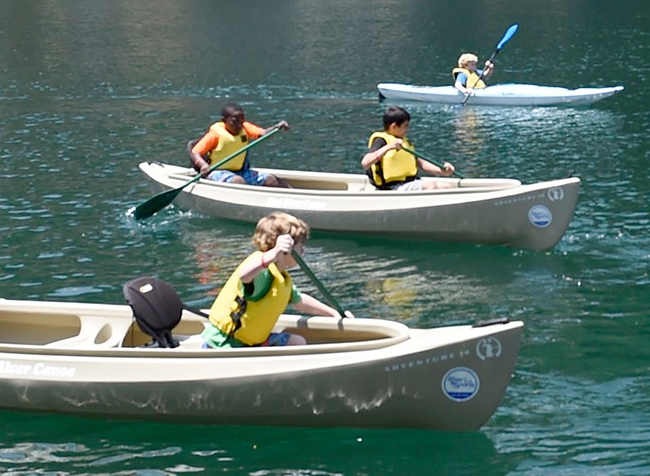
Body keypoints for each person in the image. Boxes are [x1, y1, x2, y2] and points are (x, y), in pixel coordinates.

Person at [203, 212, 344, 348]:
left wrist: (333, 313)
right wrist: (275, 253)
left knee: (296, 341)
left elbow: (300, 301)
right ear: (285, 249)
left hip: (252, 343)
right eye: (300, 247)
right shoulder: (262, 271)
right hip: (226, 344)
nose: (303, 252)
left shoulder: (281, 277)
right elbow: (245, 275)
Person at [188, 102, 291, 187]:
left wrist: (277, 127)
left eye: (242, 119)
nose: (239, 124)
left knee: (271, 179)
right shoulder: (215, 134)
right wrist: (203, 164)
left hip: (240, 171)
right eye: (235, 121)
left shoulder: (245, 128)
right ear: (224, 121)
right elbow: (195, 151)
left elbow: (263, 133)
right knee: (238, 181)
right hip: (217, 172)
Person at [362, 105, 457, 190]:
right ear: (394, 126)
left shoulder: (405, 142)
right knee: (430, 185)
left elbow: (420, 163)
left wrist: (442, 171)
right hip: (392, 187)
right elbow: (365, 163)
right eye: (405, 126)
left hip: (409, 182)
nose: (407, 129)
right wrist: (389, 147)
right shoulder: (381, 140)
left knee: (447, 186)